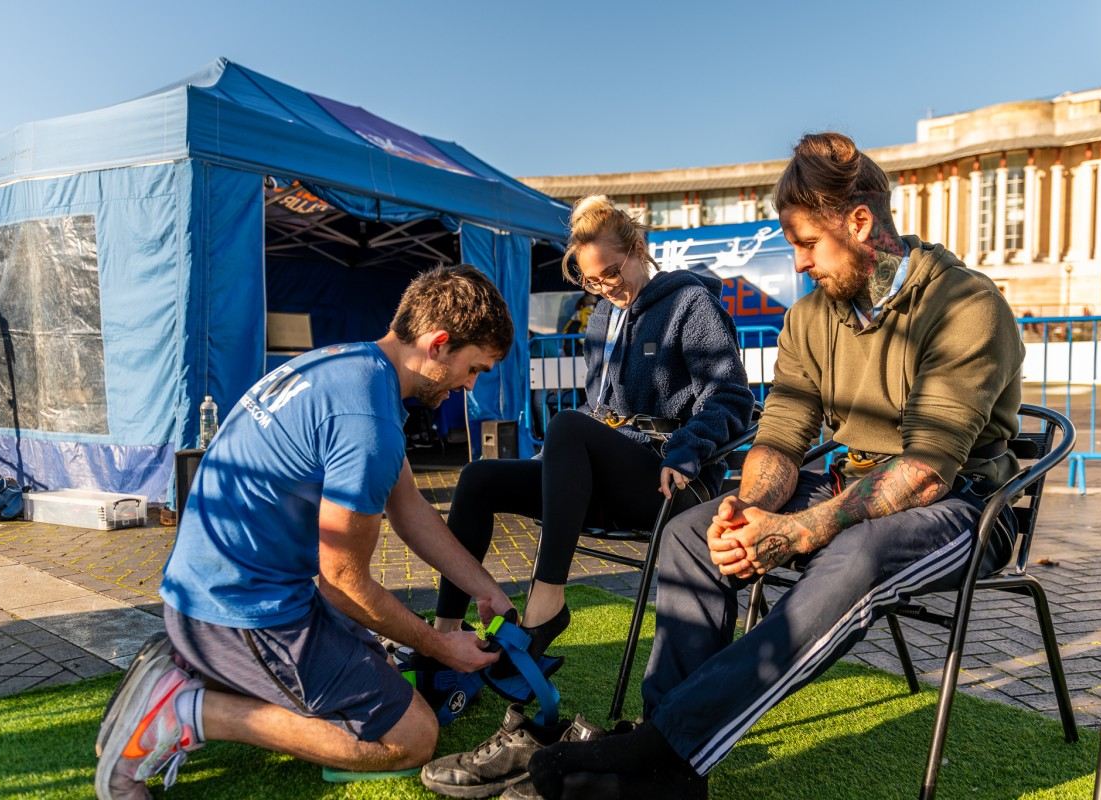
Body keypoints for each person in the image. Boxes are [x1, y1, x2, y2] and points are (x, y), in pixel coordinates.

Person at [527, 132, 1025, 800]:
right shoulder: (812, 316)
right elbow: (783, 436)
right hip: (852, 483)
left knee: (857, 553)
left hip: (965, 505)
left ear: (859, 223)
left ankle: (661, 749)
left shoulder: (966, 305)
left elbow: (930, 467)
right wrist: (753, 507)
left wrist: (801, 530)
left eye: (805, 243)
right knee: (689, 532)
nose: (797, 262)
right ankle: (667, 766)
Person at [94, 265, 518, 799]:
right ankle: (187, 709)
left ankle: (191, 664)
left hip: (212, 590)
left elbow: (409, 509)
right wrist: (439, 646)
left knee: (382, 665)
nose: (470, 385)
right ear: (437, 345)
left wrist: (485, 589)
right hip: (235, 610)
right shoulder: (369, 422)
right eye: (473, 368)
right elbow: (343, 583)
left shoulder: (350, 364)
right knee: (412, 735)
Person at [427, 195, 754, 696]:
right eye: (590, 280)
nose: (603, 287)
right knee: (479, 478)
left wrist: (686, 451)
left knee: (565, 426)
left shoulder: (691, 303)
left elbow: (731, 395)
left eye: (611, 273)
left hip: (673, 481)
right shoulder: (601, 317)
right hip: (610, 476)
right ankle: (444, 637)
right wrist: (552, 460)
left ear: (637, 248)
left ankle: (547, 603)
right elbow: (596, 410)